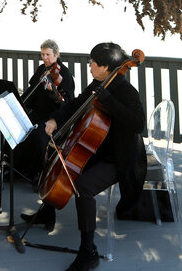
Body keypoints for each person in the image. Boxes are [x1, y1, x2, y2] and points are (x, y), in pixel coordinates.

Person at [35, 42, 147, 271]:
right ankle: (47, 212)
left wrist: (109, 100)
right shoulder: (98, 83)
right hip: (97, 150)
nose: (90, 66)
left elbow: (138, 124)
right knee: (56, 157)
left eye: (93, 63)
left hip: (121, 158)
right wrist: (56, 119)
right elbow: (76, 104)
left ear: (106, 67)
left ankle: (89, 252)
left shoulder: (126, 92)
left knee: (83, 187)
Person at [14, 39, 74, 229]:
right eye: (43, 55)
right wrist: (20, 105)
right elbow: (32, 90)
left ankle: (39, 174)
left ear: (57, 54)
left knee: (40, 135)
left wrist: (52, 92)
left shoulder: (64, 74)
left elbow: (66, 104)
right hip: (37, 114)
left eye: (48, 55)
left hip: (52, 118)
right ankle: (17, 168)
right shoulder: (42, 70)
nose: (45, 59)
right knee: (17, 129)